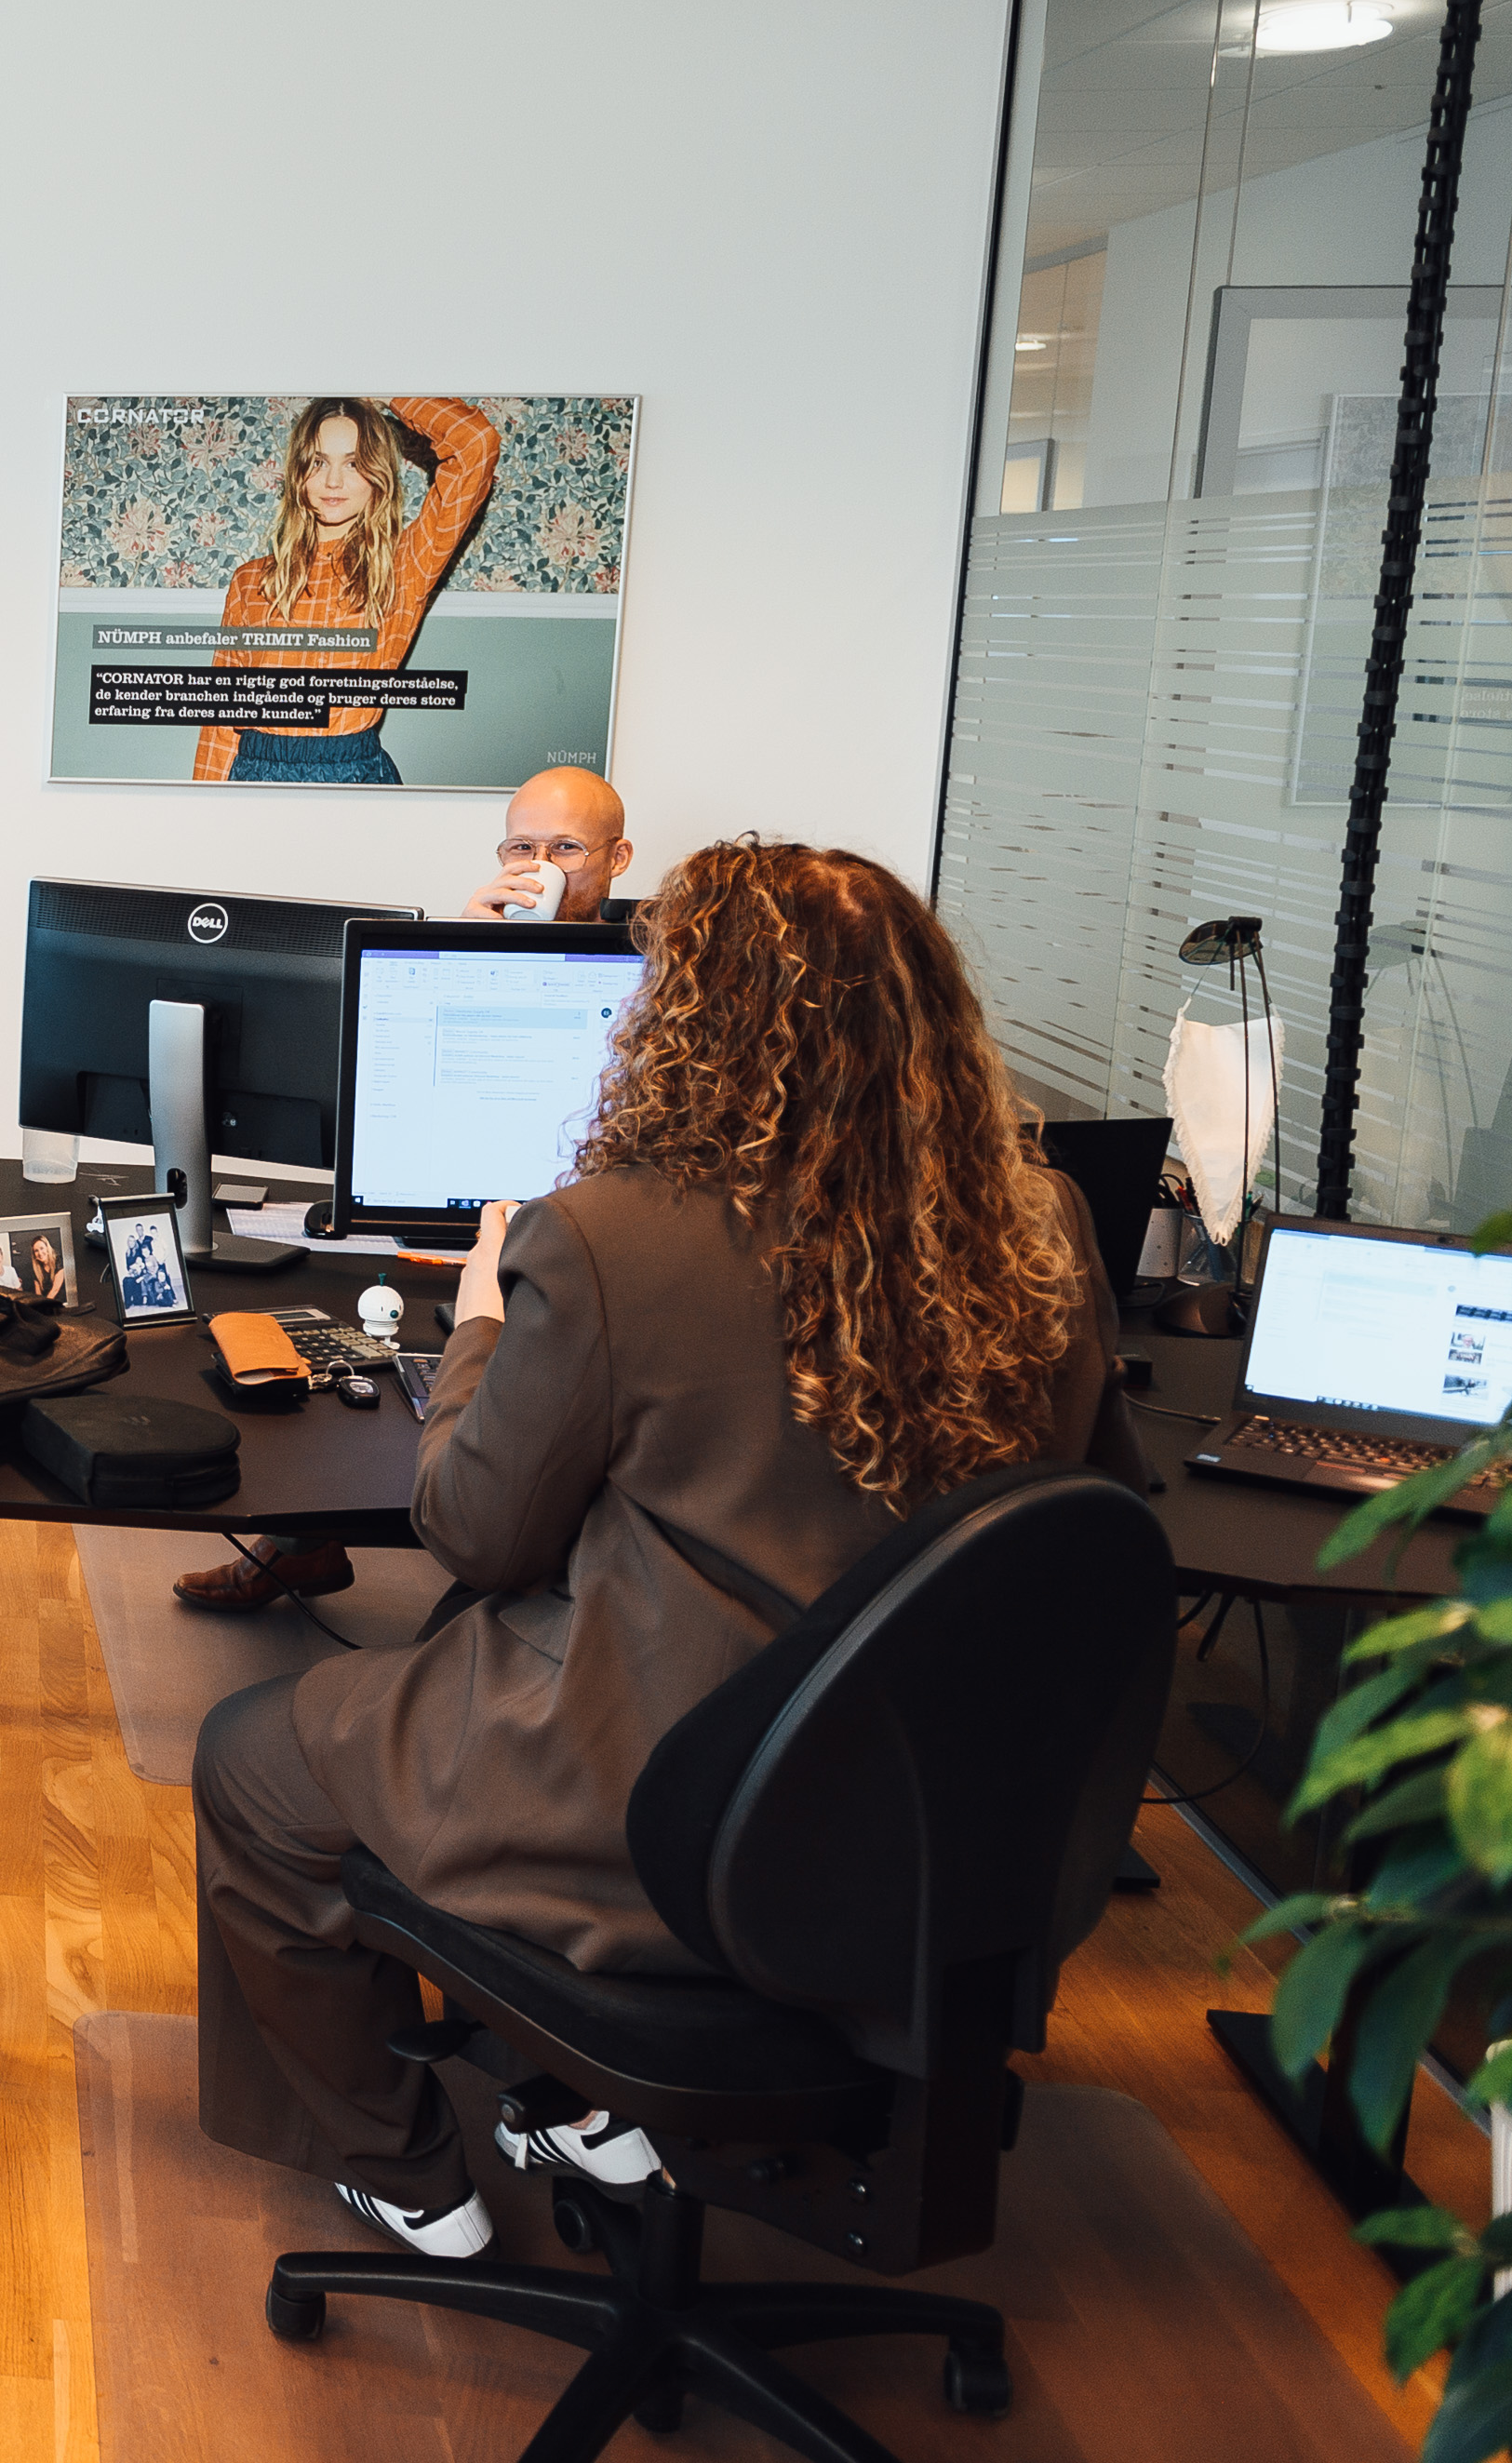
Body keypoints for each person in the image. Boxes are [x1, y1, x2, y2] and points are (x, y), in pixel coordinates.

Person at [191, 840, 1140, 2257]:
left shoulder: (612, 1238)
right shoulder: (1042, 1224)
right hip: (926, 1834)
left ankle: (404, 2168)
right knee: (458, 1661)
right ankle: (572, 2089)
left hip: (658, 1821)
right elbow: (1092, 1507)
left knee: (255, 1757)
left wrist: (481, 1324)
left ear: (685, 1023)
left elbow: (477, 1530)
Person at [195, 396, 497, 788]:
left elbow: (476, 444)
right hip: (257, 775)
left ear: (378, 475)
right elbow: (220, 723)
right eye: (318, 462)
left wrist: (390, 392)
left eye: (353, 463)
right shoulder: (251, 581)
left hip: (354, 775)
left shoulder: (404, 566)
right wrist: (206, 804)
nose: (333, 481)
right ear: (298, 472)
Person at [463, 765, 641, 922]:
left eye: (566, 846)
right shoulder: (486, 942)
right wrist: (467, 938)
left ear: (618, 858)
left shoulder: (643, 947)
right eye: (523, 847)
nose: (540, 865)